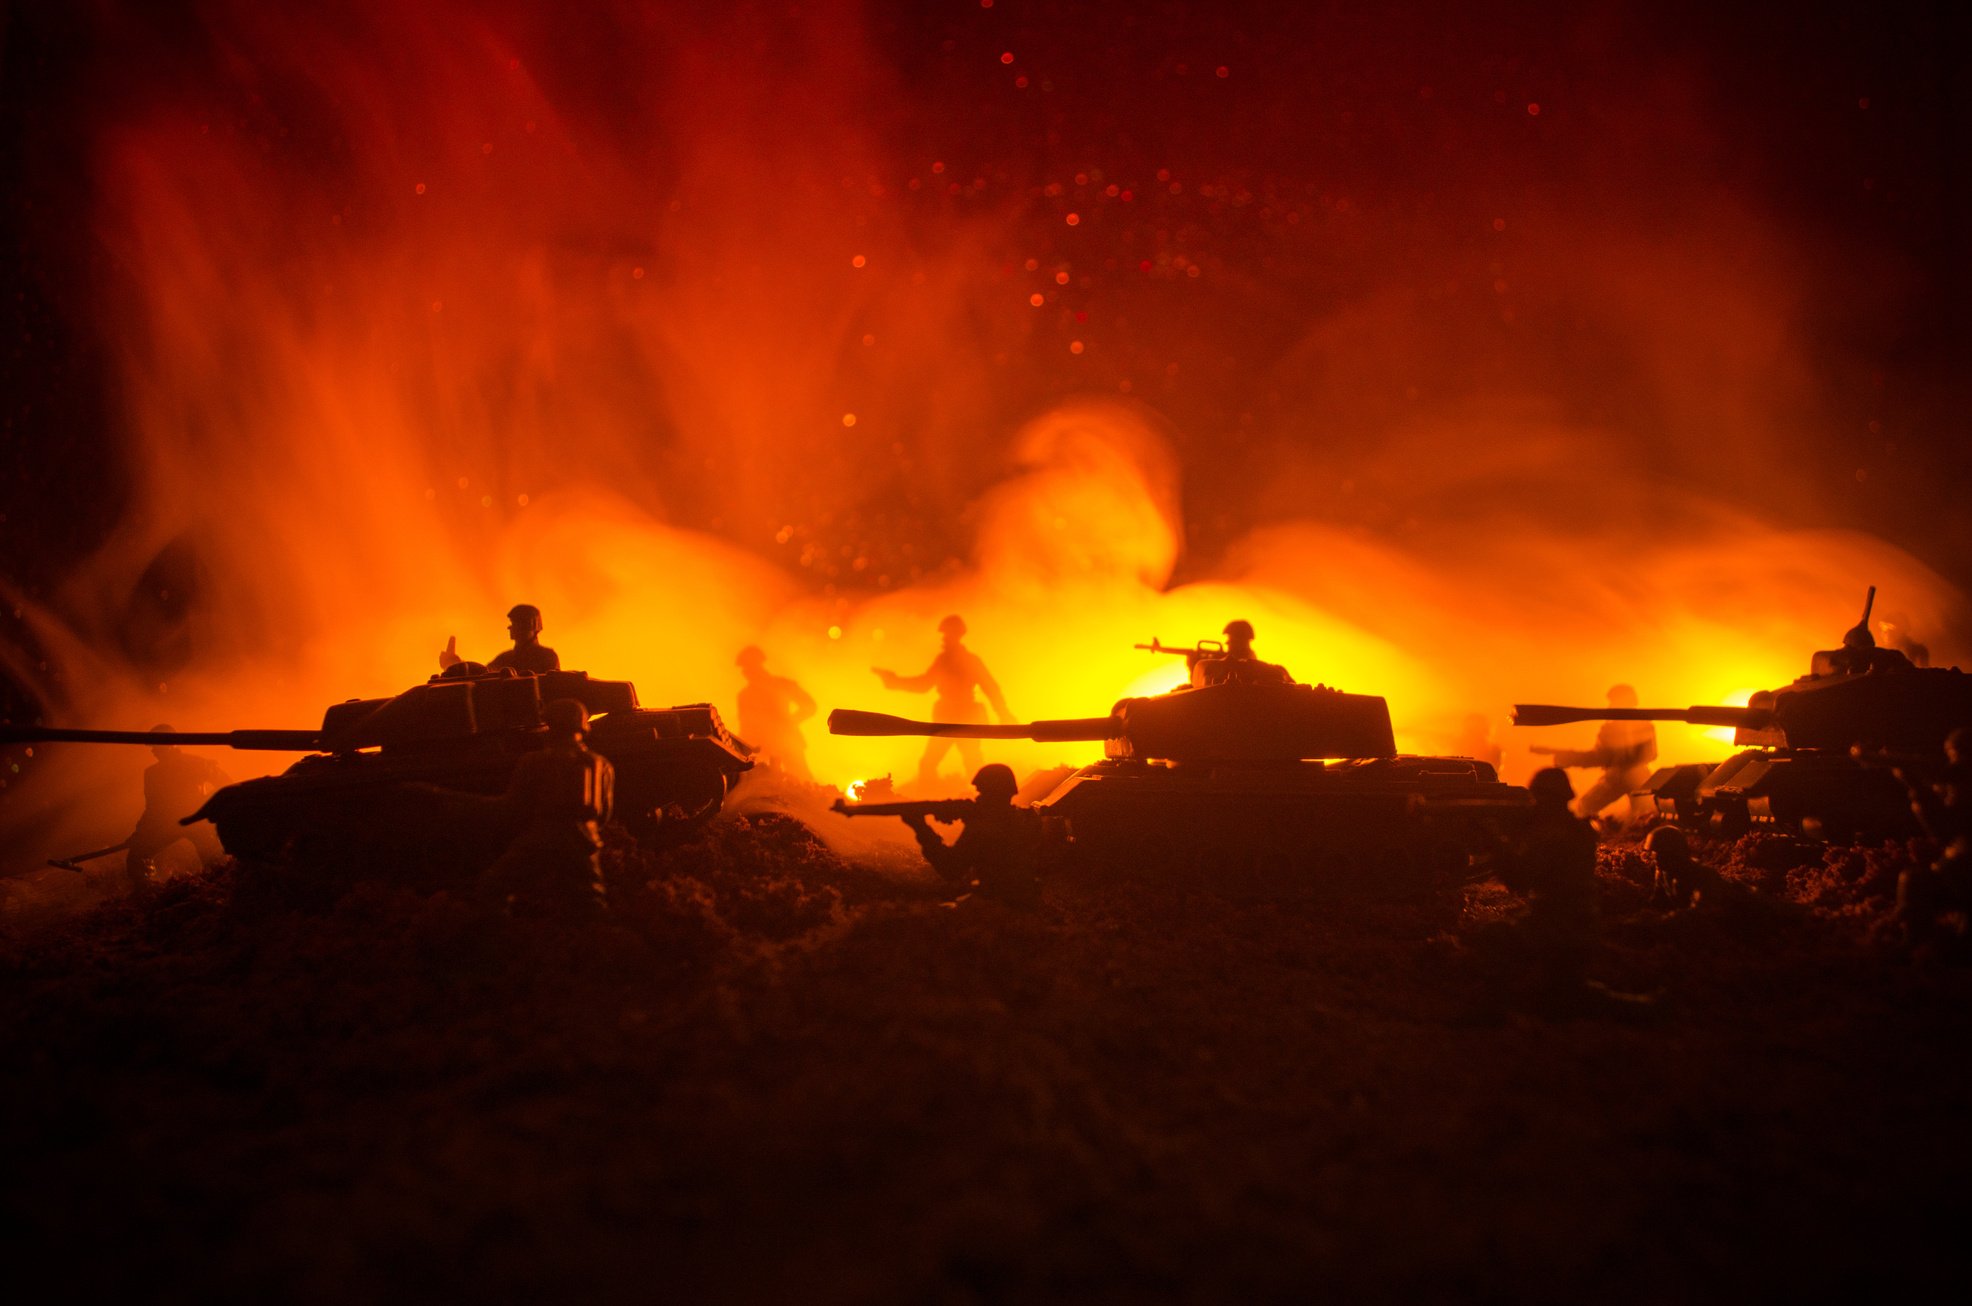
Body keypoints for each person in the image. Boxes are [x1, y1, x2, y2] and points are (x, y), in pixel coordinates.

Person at [1472, 767, 1601, 1008]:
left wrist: (1495, 843)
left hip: (1562, 923)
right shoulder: (1573, 828)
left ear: (1548, 799)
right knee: (1564, 991)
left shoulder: (1555, 836)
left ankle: (1492, 1011)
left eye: (1539, 798)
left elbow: (1519, 879)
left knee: (1495, 938)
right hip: (1572, 917)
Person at [483, 698, 614, 917]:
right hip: (583, 842)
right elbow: (605, 813)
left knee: (493, 884)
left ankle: (504, 939)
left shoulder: (532, 761)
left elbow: (512, 807)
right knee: (593, 900)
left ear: (550, 726)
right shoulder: (600, 763)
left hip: (542, 837)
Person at [874, 614, 1013, 790]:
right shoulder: (953, 660)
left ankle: (952, 799)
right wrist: (894, 681)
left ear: (955, 635)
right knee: (960, 763)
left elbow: (990, 688)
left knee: (956, 764)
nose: (943, 639)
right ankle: (947, 797)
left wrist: (1004, 713)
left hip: (958, 718)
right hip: (957, 717)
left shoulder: (964, 661)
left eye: (946, 635)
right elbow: (924, 685)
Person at [903, 763, 1043, 908]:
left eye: (981, 793)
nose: (977, 798)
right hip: (1027, 897)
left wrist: (920, 827)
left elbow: (951, 869)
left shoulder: (984, 827)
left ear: (992, 794)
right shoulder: (1026, 819)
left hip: (998, 902)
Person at [1886, 726, 1972, 949]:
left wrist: (1918, 791)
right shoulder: (1958, 788)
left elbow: (1943, 828)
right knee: (1916, 881)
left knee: (1915, 883)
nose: (1953, 764)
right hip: (1958, 867)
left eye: (1957, 756)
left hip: (1963, 870)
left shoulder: (1963, 791)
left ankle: (1920, 946)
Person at [1530, 684, 1657, 822]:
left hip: (1626, 777)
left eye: (1615, 702)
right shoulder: (1635, 726)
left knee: (1583, 809)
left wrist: (1570, 758)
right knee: (1585, 808)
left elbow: (1598, 757)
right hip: (1628, 776)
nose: (1612, 705)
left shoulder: (1631, 727)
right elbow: (1601, 757)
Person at [124, 725, 229, 891]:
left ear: (170, 744)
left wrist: (211, 806)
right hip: (182, 823)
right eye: (152, 746)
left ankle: (151, 894)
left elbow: (226, 784)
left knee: (138, 858)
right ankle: (152, 893)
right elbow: (153, 807)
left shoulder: (192, 765)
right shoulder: (157, 772)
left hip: (189, 823)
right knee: (216, 863)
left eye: (156, 745)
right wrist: (140, 834)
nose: (153, 750)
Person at [734, 646, 818, 782]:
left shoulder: (782, 685)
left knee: (803, 781)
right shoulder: (745, 696)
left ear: (759, 666)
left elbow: (809, 706)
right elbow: (745, 726)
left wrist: (789, 722)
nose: (746, 672)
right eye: (745, 668)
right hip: (763, 749)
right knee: (766, 786)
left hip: (787, 744)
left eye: (750, 667)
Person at [438, 604, 561, 674]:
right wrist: (454, 665)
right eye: (513, 623)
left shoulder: (547, 657)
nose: (513, 628)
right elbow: (484, 673)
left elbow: (550, 689)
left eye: (520, 623)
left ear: (534, 627)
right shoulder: (505, 658)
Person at [1192, 619, 1293, 687]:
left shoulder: (1250, 667)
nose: (1227, 643)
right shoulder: (1228, 664)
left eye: (1231, 640)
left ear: (1240, 641)